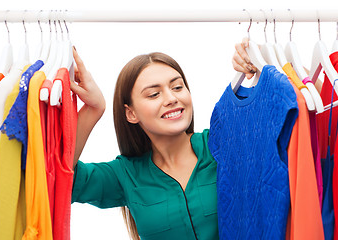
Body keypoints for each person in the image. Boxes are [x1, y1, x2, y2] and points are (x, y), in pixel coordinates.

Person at [69, 40, 253, 240]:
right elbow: (59, 177)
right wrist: (93, 109)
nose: (171, 98)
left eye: (177, 87)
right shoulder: (125, 174)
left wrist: (256, 68)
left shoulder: (221, 144)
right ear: (131, 113)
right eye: (154, 94)